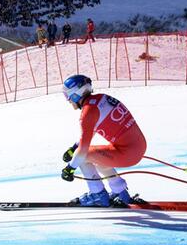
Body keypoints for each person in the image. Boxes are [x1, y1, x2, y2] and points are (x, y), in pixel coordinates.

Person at [60, 74, 147, 207]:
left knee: (84, 157)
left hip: (127, 153)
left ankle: (98, 194)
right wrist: (74, 148)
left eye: (67, 96)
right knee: (96, 155)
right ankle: (120, 192)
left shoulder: (88, 113)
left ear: (76, 94)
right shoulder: (101, 98)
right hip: (136, 147)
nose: (68, 100)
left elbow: (82, 150)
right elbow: (91, 130)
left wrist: (70, 168)